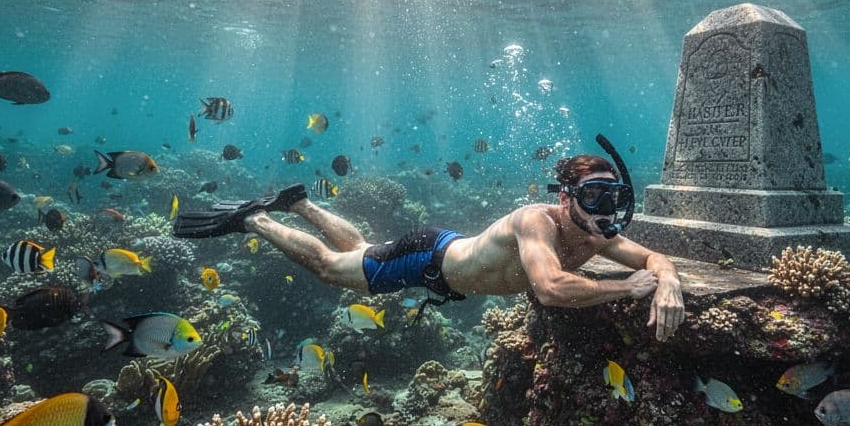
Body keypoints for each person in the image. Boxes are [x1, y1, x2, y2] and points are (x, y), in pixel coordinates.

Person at [173, 154, 686, 340]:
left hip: (443, 252)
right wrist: (626, 287)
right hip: (428, 261)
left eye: (613, 197)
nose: (606, 209)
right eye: (594, 195)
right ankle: (256, 220)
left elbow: (653, 259)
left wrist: (667, 282)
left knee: (365, 249)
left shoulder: (599, 232)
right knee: (333, 269)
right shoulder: (538, 222)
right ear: (567, 197)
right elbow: (549, 287)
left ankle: (301, 204)